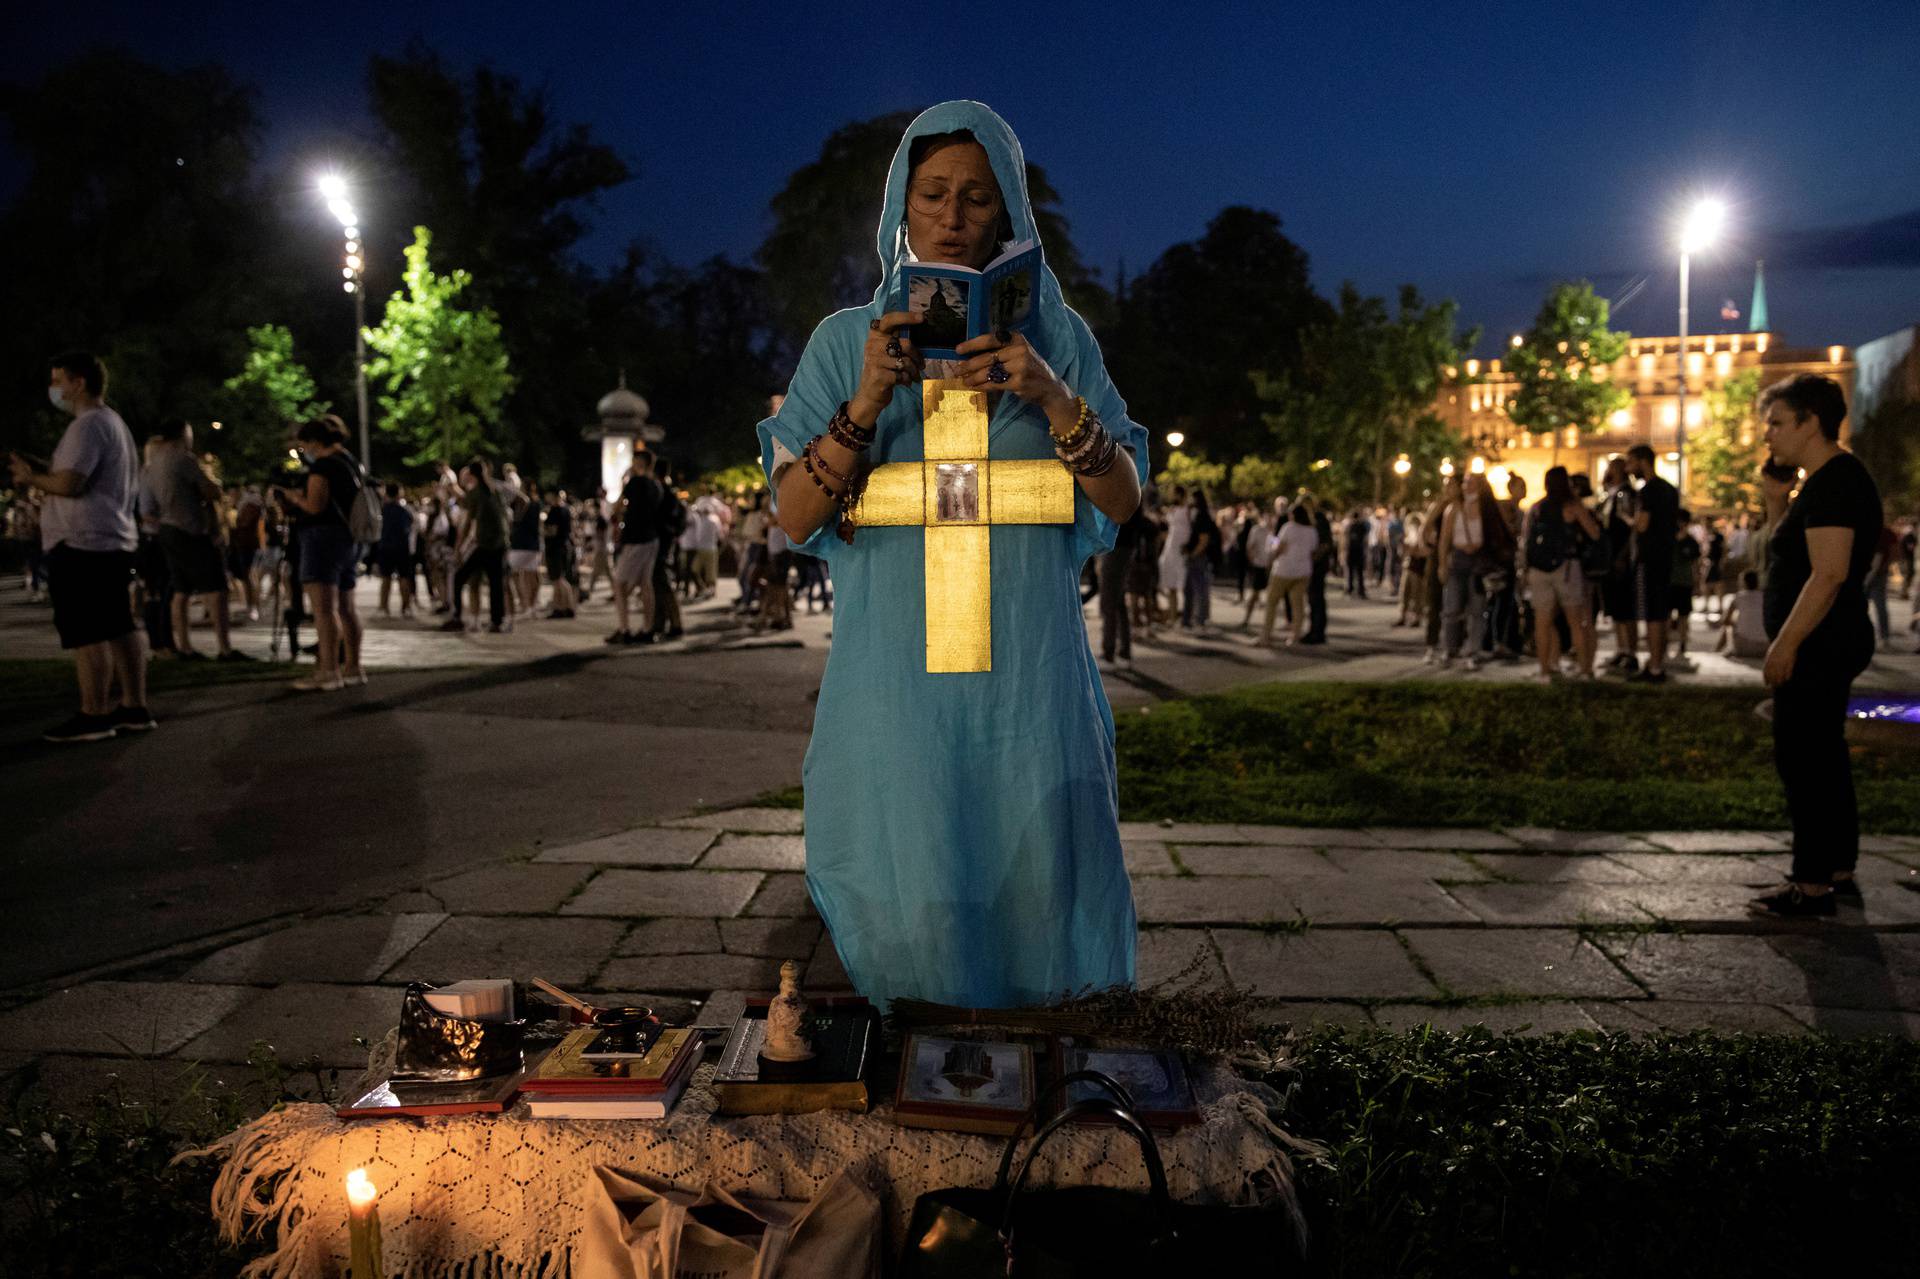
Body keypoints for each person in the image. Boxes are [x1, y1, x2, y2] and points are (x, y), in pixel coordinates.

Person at [755, 102, 1144, 1009]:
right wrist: (863, 402)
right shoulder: (841, 342)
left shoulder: (1061, 341)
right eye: (933, 192)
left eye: (977, 195)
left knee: (1042, 885)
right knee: (912, 879)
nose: (954, 213)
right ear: (902, 207)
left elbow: (1122, 500)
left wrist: (1050, 396)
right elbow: (795, 515)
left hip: (1029, 684)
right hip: (899, 691)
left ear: (1009, 212)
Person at [1749, 373, 1882, 918]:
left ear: (1811, 422)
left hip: (1821, 643)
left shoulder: (1834, 484)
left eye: (1778, 423)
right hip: (1825, 639)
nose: (1768, 436)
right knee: (1824, 754)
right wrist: (1778, 503)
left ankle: (1811, 885)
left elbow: (1827, 575)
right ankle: (1835, 868)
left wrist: (1786, 643)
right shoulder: (1821, 483)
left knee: (1803, 756)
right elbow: (1786, 559)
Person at [10, 351, 152, 741]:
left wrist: (30, 477)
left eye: (58, 380)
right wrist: (42, 469)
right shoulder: (113, 424)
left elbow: (72, 484)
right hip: (111, 539)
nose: (53, 388)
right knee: (119, 625)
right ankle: (134, 707)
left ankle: (94, 713)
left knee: (87, 632)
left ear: (79, 383)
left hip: (82, 542)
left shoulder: (87, 426)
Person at [274, 416, 365, 689]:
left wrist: (293, 497)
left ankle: (329, 671)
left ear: (315, 442)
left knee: (324, 609)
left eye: (304, 446)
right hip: (350, 538)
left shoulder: (323, 467)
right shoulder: (351, 462)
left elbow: (315, 506)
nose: (304, 452)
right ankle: (353, 667)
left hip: (323, 538)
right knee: (348, 608)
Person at [143, 417, 242, 661]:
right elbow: (211, 490)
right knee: (215, 588)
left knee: (181, 589)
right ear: (181, 435)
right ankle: (224, 648)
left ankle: (184, 646)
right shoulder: (182, 459)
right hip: (189, 529)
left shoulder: (151, 464)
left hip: (167, 529)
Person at [1523, 465, 1602, 679]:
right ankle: (1585, 670)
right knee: (1575, 620)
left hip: (1539, 569)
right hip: (1567, 567)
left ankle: (1544, 669)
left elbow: (1526, 540)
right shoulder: (1572, 506)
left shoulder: (1537, 507)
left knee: (1543, 621)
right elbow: (1594, 534)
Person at [1625, 443, 1678, 682]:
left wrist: (1628, 519)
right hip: (1667, 556)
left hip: (1649, 558)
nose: (1629, 468)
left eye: (1631, 462)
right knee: (1662, 611)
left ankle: (1654, 666)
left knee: (1652, 613)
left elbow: (1642, 524)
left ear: (1642, 461)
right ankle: (1658, 663)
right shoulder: (1670, 489)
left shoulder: (1648, 491)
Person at [442, 457, 509, 634]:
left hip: (486, 544)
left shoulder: (477, 492)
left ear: (471, 474)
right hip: (499, 542)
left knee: (459, 577)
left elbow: (466, 524)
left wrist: (458, 548)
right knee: (496, 584)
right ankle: (497, 621)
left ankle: (457, 616)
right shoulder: (494, 490)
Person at [608, 452, 663, 645]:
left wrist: (625, 481)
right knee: (645, 584)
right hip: (651, 537)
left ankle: (624, 629)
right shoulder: (656, 486)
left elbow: (617, 507)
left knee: (619, 584)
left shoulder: (635, 483)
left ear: (639, 463)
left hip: (635, 539)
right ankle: (648, 628)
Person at [1599, 457, 1640, 674]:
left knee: (1625, 608)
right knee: (1615, 607)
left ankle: (1630, 651)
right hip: (1611, 557)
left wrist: (1623, 555)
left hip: (1620, 558)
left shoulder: (1625, 495)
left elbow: (1631, 527)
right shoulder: (1611, 495)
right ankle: (1622, 648)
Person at [1262, 503, 1316, 646]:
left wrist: (1271, 559)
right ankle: (1295, 635)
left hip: (1284, 569)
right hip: (1303, 570)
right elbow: (1313, 550)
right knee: (1298, 604)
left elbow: (1279, 547)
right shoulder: (1311, 531)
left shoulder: (1288, 528)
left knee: (1272, 602)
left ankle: (1266, 635)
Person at [376, 482, 417, 618]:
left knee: (385, 578)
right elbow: (412, 526)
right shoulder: (405, 510)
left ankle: (384, 607)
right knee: (404, 577)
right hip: (402, 548)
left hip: (385, 547)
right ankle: (406, 607)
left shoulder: (382, 509)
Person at [1668, 510, 1702, 666]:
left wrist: (1697, 584)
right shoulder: (1667, 540)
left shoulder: (1691, 542)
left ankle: (1682, 643)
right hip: (1669, 582)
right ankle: (1665, 641)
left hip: (1685, 583)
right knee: (1667, 615)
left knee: (1683, 616)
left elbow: (1696, 565)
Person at [1181, 488, 1218, 629]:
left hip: (1198, 557)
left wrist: (1193, 554)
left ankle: (1199, 619)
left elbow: (1204, 540)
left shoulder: (1202, 516)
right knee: (1191, 589)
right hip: (1197, 556)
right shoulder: (1200, 515)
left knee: (1198, 590)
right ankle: (1190, 619)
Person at [506, 479, 544, 617]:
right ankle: (531, 605)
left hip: (520, 544)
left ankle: (525, 603)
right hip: (532, 544)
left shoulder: (524, 502)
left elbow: (517, 520)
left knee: (514, 575)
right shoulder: (536, 503)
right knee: (531, 575)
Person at [542, 488, 578, 618]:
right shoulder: (566, 510)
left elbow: (552, 530)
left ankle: (568, 606)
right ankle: (559, 607)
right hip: (564, 546)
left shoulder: (555, 511)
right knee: (558, 578)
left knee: (558, 579)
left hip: (555, 547)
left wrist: (543, 530)